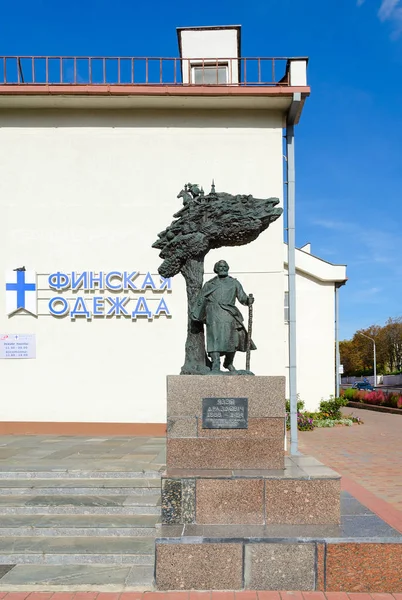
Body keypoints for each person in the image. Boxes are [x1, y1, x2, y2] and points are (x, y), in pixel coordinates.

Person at [191, 260, 255, 372]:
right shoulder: (209, 284)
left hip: (229, 313)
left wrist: (248, 300)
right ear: (216, 269)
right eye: (220, 267)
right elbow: (200, 299)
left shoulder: (234, 283)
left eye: (225, 266)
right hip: (213, 314)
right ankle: (216, 364)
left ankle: (228, 363)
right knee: (214, 339)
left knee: (233, 339)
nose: (223, 268)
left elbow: (242, 298)